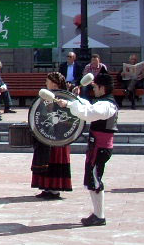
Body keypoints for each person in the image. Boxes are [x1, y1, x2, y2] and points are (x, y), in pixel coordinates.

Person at [56, 72, 117, 226]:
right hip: (97, 146)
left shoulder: (107, 105)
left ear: (102, 88)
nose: (93, 89)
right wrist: (73, 101)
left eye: (95, 87)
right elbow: (89, 107)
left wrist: (71, 104)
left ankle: (100, 216)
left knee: (95, 180)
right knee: (92, 179)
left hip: (100, 147)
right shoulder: (104, 103)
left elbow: (88, 113)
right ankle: (97, 214)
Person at [31, 72, 73, 200]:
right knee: (46, 160)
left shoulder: (64, 97)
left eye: (47, 81)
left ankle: (54, 189)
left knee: (55, 159)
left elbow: (68, 116)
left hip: (58, 135)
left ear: (54, 83)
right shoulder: (48, 96)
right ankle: (47, 187)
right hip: (47, 133)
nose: (45, 83)